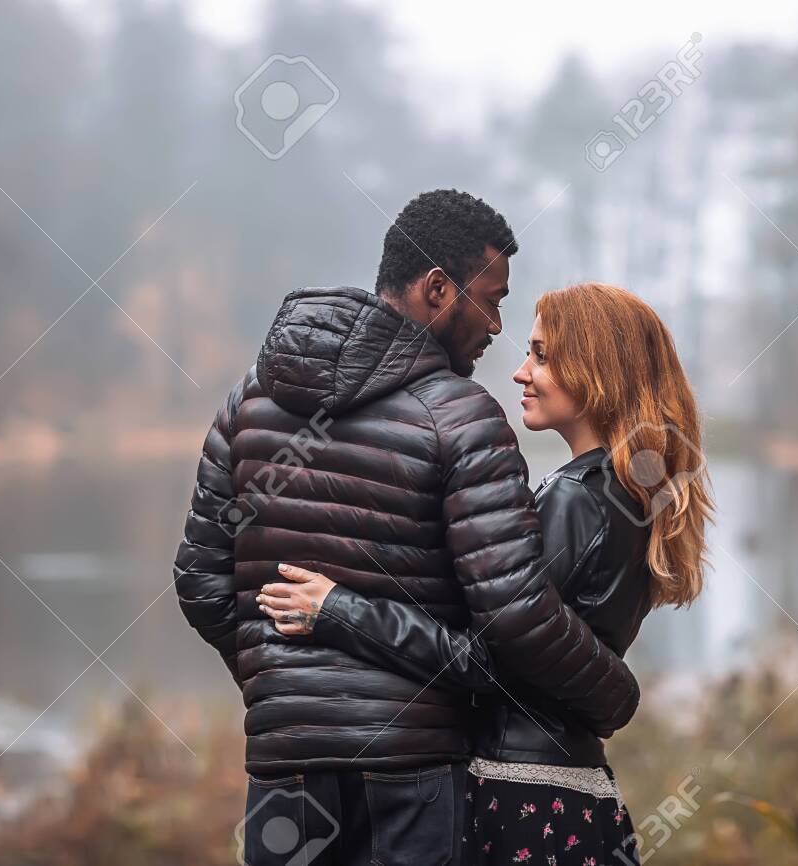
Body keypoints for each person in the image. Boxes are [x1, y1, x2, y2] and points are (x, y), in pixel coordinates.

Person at [173, 191, 639, 866]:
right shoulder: (463, 417)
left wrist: (282, 683)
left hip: (284, 769)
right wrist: (614, 693)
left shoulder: (248, 401)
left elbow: (198, 580)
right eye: (492, 301)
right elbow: (511, 619)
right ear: (438, 289)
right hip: (413, 772)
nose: (497, 325)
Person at [259, 282, 713, 865]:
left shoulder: (578, 498)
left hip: (525, 794)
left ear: (598, 369)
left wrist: (339, 610)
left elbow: (484, 660)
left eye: (542, 355)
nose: (522, 372)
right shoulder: (628, 496)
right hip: (573, 788)